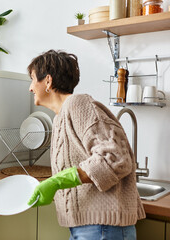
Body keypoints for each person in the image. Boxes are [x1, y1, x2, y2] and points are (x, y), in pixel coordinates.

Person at [27, 50, 145, 240]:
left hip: (103, 229)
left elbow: (115, 158)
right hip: (87, 229)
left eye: (33, 79)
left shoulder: (78, 104)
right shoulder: (60, 118)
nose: (30, 88)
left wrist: (59, 181)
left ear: (48, 81)